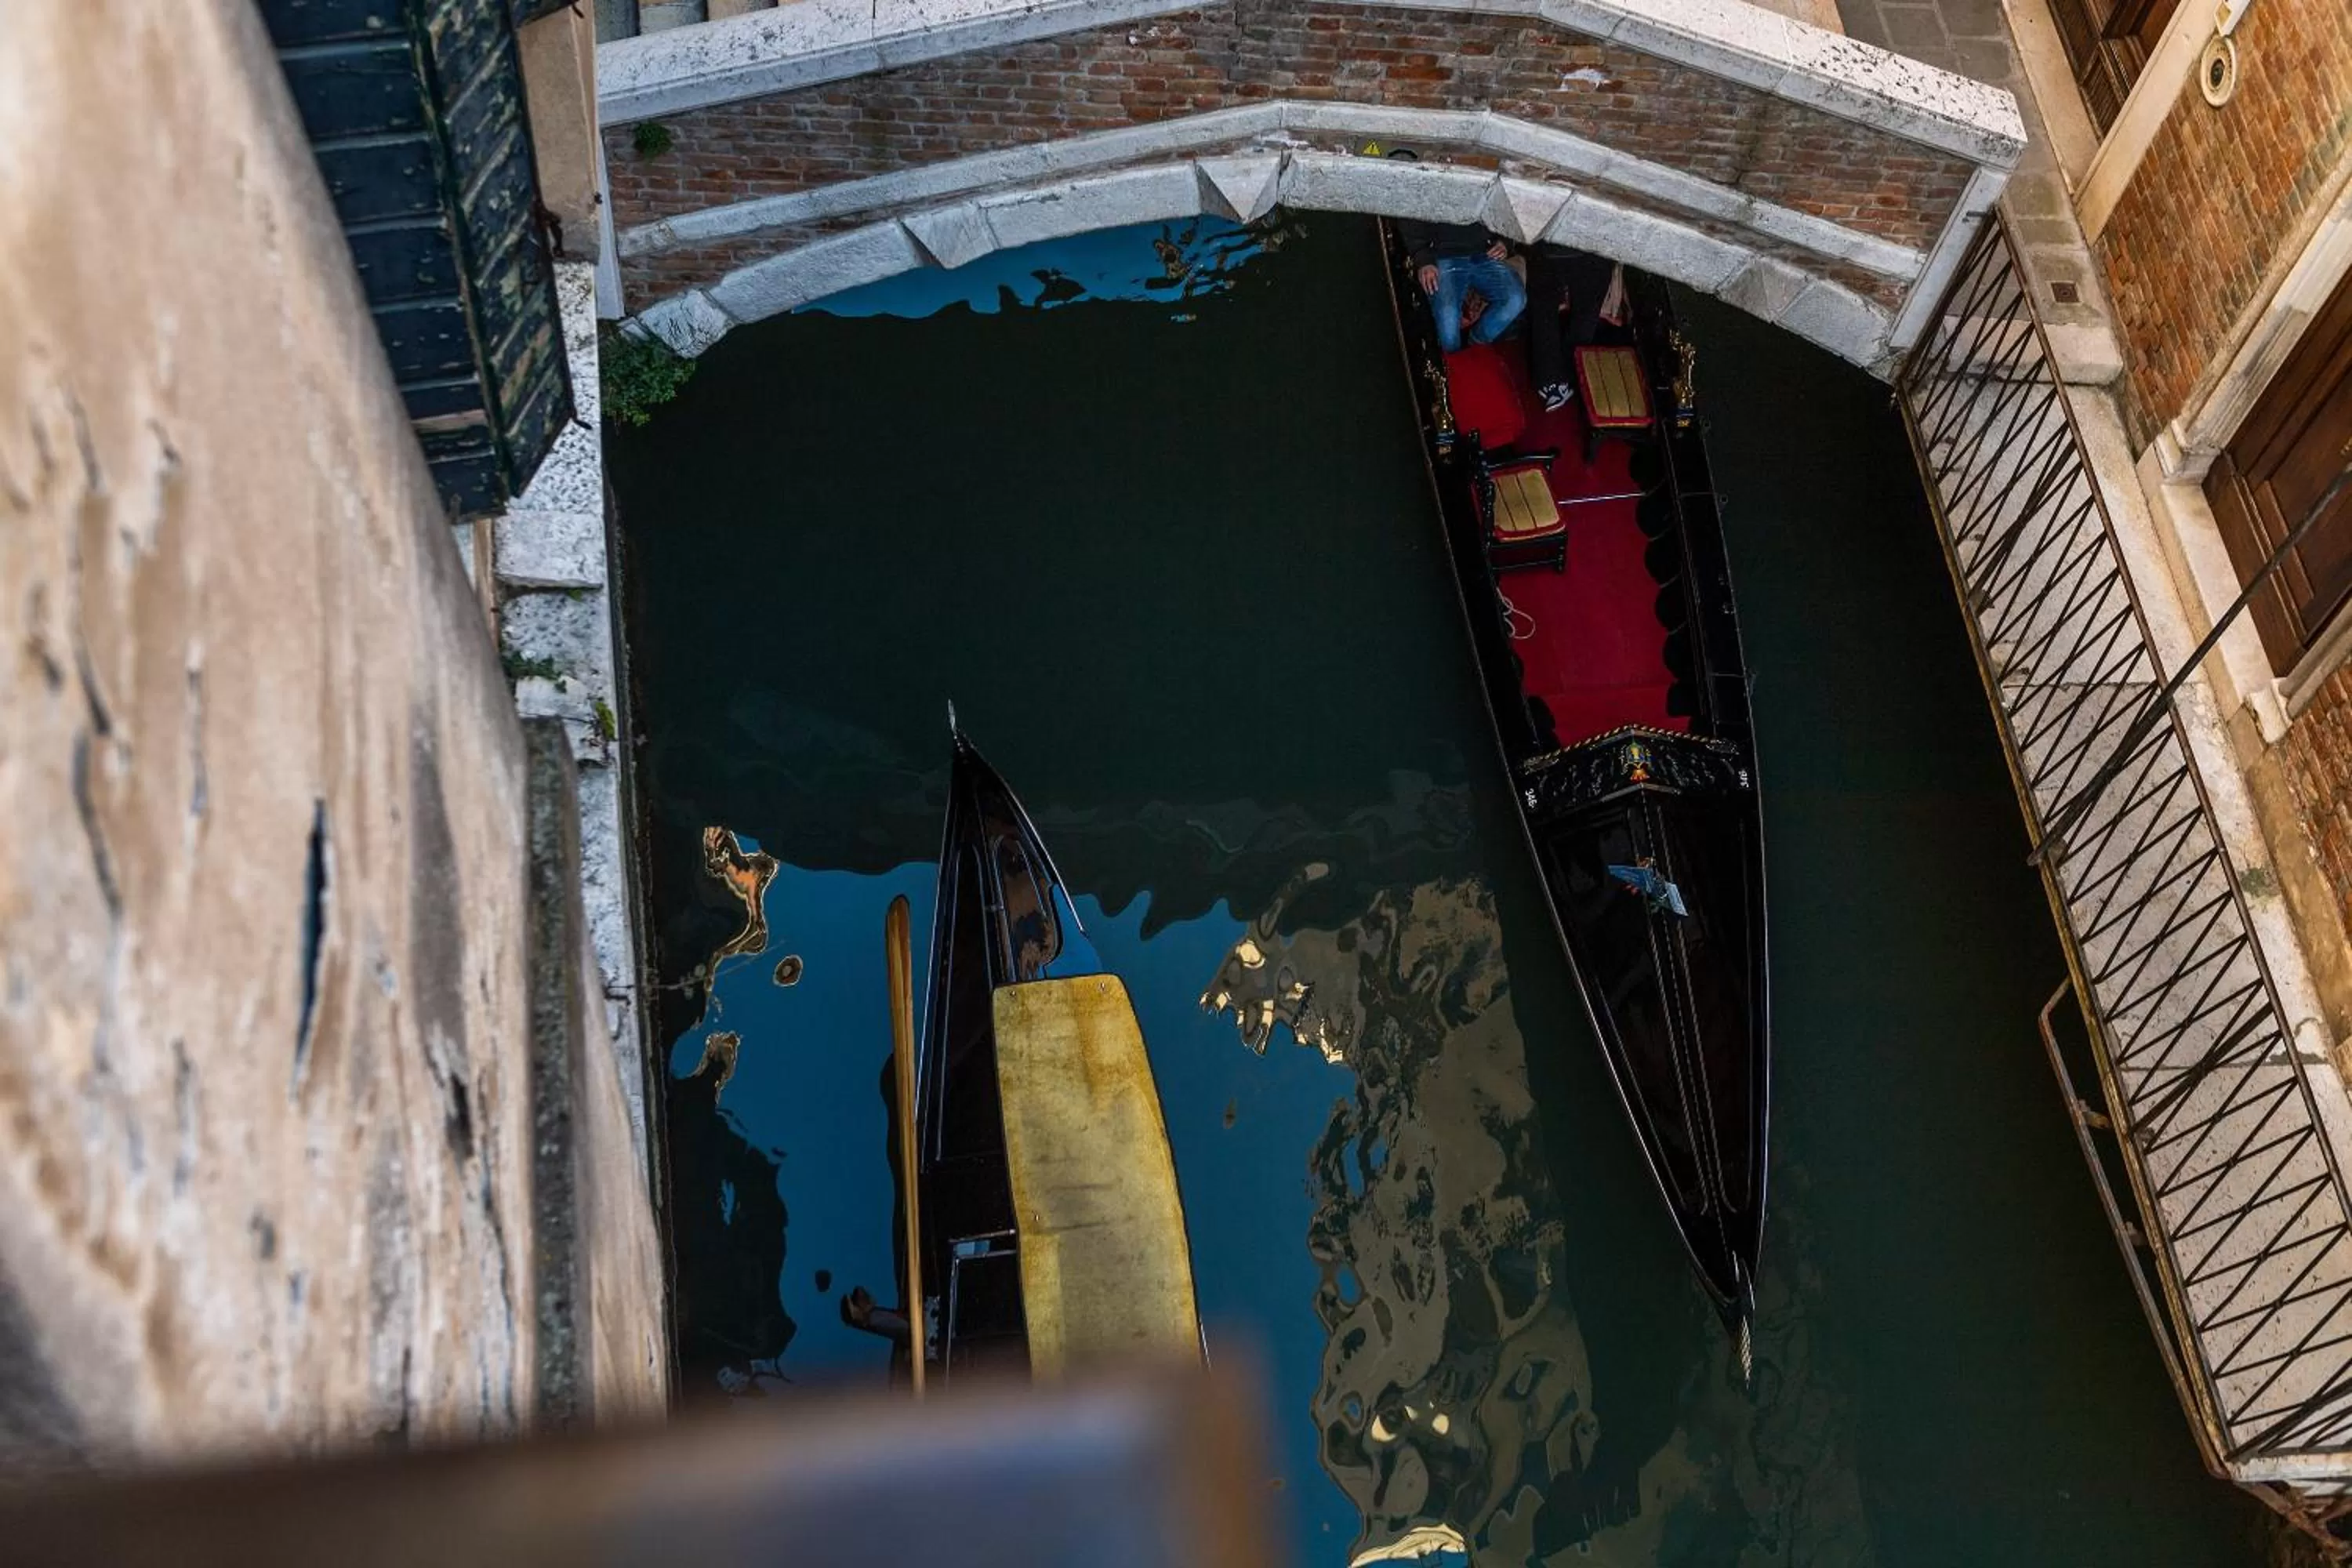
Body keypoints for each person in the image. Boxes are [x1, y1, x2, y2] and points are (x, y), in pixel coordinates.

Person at [1396, 217, 1526, 354]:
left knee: (1515, 299)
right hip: (1442, 255)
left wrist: (1504, 241)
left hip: (1485, 252)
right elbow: (1409, 217)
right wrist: (1423, 258)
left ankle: (1476, 345)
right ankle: (1454, 362)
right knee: (1448, 320)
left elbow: (1505, 210)